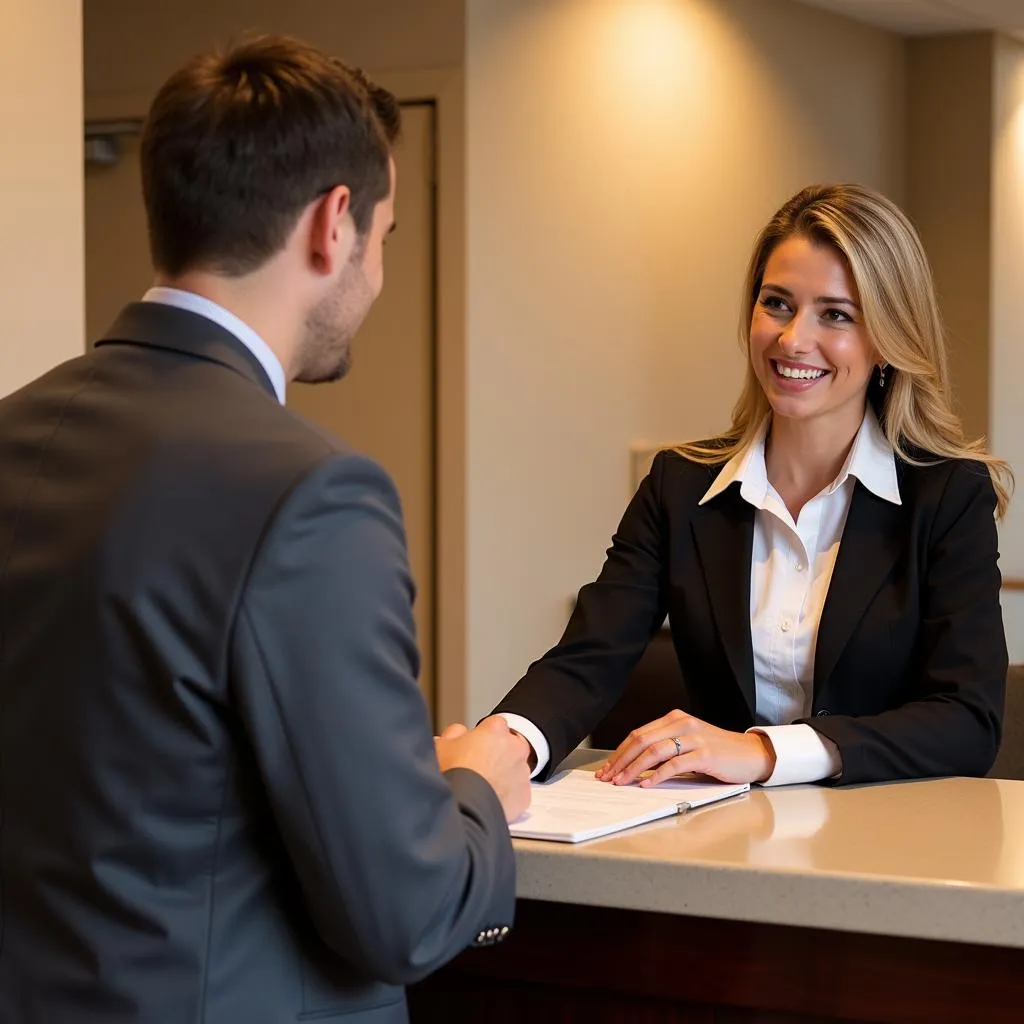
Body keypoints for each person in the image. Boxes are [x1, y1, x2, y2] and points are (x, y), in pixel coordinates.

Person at [0, 35, 529, 1024]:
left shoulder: (12, 432)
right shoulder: (314, 495)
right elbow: (402, 910)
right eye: (387, 236)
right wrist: (475, 790)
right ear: (336, 223)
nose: (375, 275)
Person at [495, 183, 1011, 790]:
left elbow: (967, 721)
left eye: (836, 314)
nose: (793, 340)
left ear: (887, 343)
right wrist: (503, 743)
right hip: (725, 839)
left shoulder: (947, 495)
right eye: (778, 304)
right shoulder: (679, 486)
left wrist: (766, 752)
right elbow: (589, 657)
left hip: (889, 842)